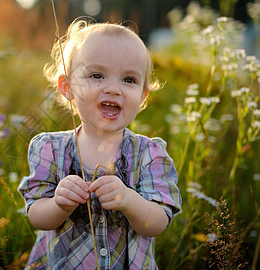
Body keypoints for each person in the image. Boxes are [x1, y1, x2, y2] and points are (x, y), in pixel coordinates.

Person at [18, 19, 182, 270]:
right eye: (97, 75)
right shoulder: (50, 149)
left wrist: (128, 200)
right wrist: (59, 204)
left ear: (143, 95)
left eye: (129, 80)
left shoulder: (149, 154)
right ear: (67, 87)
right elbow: (36, 216)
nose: (113, 89)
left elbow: (158, 223)